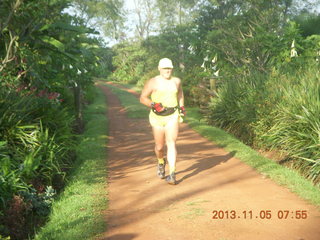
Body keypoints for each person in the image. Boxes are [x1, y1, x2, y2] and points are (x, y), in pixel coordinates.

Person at [140, 58, 186, 185]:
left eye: (170, 68)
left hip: (172, 115)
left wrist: (181, 107)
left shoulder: (176, 81)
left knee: (171, 143)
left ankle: (172, 174)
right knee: (159, 147)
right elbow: (143, 98)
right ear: (159, 69)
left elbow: (180, 93)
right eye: (165, 68)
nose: (168, 70)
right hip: (157, 117)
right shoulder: (153, 82)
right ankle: (161, 162)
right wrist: (154, 104)